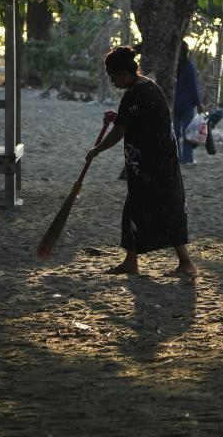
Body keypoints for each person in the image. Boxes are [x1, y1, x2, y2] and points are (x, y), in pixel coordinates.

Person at [86, 46, 197, 276]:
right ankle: (131, 261)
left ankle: (186, 264)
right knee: (145, 209)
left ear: (124, 74)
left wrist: (96, 150)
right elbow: (141, 120)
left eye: (113, 77)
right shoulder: (150, 87)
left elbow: (118, 134)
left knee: (161, 211)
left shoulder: (133, 95)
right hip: (160, 162)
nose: (113, 82)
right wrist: (119, 117)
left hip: (150, 166)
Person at [174, 41, 203, 165]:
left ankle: (175, 158)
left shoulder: (172, 66)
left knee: (174, 132)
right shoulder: (189, 66)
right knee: (188, 131)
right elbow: (193, 87)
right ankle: (187, 159)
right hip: (187, 104)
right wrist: (198, 103)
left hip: (174, 103)